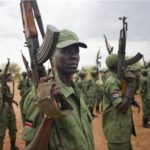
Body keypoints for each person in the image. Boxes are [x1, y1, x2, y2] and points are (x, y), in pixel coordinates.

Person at [21, 29, 95, 150]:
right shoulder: (40, 94)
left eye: (76, 51)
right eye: (66, 51)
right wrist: (50, 112)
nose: (73, 56)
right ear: (52, 55)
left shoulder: (75, 92)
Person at [102, 54, 136, 150]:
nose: (124, 65)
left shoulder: (117, 79)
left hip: (121, 132)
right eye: (122, 62)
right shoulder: (112, 82)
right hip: (117, 134)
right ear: (115, 65)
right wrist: (130, 85)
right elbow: (121, 108)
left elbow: (126, 98)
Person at [0, 73, 18, 150]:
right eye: (8, 76)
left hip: (10, 109)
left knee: (13, 128)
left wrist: (13, 101)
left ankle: (13, 146)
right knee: (1, 132)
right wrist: (8, 64)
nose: (10, 77)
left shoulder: (7, 87)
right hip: (3, 111)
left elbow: (7, 97)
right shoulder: (2, 87)